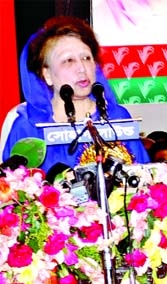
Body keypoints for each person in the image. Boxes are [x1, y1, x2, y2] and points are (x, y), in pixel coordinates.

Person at [3, 16, 149, 170]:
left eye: (86, 58)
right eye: (69, 60)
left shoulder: (117, 117)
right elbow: (14, 185)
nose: (81, 68)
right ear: (47, 74)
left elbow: (142, 179)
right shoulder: (29, 127)